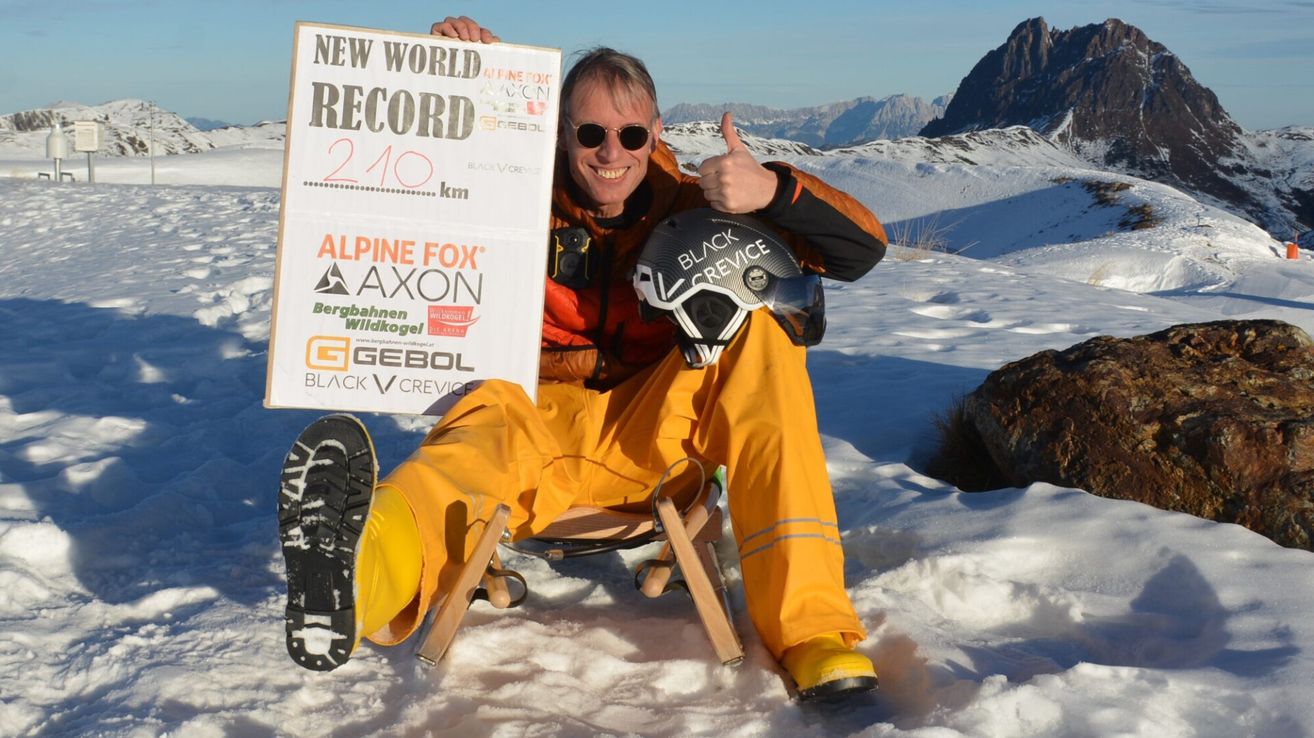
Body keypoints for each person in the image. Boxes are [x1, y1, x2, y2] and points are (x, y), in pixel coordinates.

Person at [278, 15, 888, 701]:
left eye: (630, 135)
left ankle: (812, 635)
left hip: (659, 439)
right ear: (561, 132)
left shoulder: (702, 208)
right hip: (531, 426)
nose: (610, 153)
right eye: (590, 133)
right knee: (468, 442)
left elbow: (862, 251)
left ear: (656, 133)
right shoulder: (509, 199)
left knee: (763, 334)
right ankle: (355, 577)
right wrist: (465, 79)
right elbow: (401, 195)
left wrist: (773, 193)